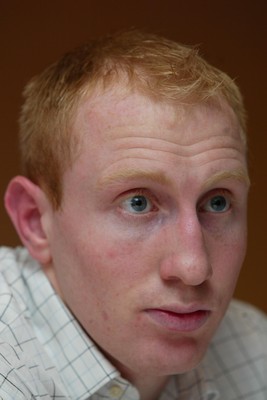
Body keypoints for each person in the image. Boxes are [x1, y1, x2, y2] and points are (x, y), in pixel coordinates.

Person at [0, 29, 266, 400]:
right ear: (35, 222)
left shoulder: (256, 349)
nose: (194, 267)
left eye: (217, 202)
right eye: (138, 202)